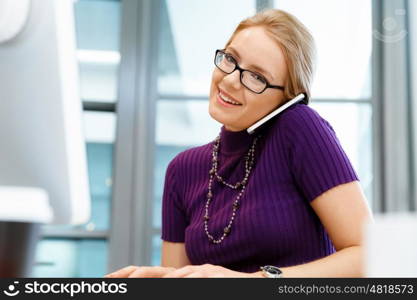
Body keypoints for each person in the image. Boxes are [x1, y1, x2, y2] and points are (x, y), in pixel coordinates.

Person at [106, 8, 373, 278]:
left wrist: (252, 282)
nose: (231, 79)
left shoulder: (300, 127)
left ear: (288, 99)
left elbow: (369, 255)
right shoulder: (182, 169)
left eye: (257, 77)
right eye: (230, 59)